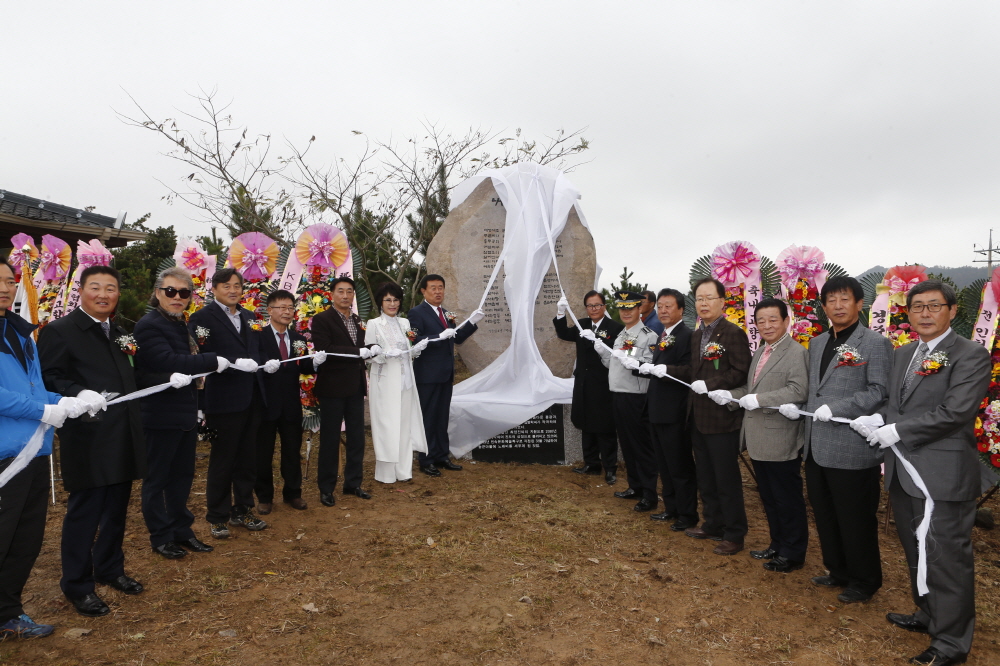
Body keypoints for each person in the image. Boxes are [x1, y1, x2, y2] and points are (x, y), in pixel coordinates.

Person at [853, 280, 990, 666]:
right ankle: (929, 614)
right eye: (917, 307)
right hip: (904, 471)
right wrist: (877, 417)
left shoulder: (970, 355)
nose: (925, 314)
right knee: (917, 552)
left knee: (946, 559)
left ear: (951, 310)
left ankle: (950, 644)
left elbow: (955, 412)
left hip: (943, 476)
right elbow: (895, 406)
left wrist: (896, 431)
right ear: (907, 312)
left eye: (933, 306)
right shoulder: (904, 353)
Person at [38, 265, 146, 617]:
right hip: (88, 437)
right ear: (81, 291)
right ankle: (77, 584)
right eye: (95, 287)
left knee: (116, 510)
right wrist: (77, 392)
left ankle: (111, 569)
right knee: (85, 514)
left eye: (111, 288)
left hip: (123, 433)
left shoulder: (118, 330)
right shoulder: (60, 331)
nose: (104, 294)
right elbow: (49, 378)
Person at [778, 275, 892, 603]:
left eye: (845, 299)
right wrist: (796, 407)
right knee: (825, 513)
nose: (838, 306)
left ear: (860, 304)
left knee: (855, 517)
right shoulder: (816, 343)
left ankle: (864, 580)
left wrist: (838, 406)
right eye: (832, 300)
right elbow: (813, 390)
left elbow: (879, 391)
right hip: (816, 446)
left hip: (851, 447)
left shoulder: (874, 343)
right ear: (824, 306)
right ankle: (838, 570)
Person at [133, 267, 229, 559]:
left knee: (183, 476)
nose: (177, 297)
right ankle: (161, 536)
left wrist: (198, 407)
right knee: (158, 479)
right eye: (170, 291)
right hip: (160, 415)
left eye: (184, 293)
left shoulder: (179, 324)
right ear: (157, 292)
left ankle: (182, 530)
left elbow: (184, 363)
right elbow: (165, 360)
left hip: (184, 414)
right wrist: (212, 360)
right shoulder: (148, 325)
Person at [709, 298, 809, 572]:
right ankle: (777, 544)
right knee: (768, 496)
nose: (766, 325)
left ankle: (793, 552)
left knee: (786, 497)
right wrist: (729, 396)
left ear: (786, 321)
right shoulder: (761, 351)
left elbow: (798, 390)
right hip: (757, 437)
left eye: (772, 320)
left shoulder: (796, 352)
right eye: (761, 321)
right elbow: (750, 390)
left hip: (780, 437)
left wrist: (761, 398)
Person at [0, 254, 62, 639]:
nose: (4, 289)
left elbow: (34, 388)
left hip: (36, 450)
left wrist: (68, 400)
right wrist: (44, 407)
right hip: (5, 456)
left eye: (8, 281)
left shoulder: (21, 332)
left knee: (26, 538)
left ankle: (8, 612)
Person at [187, 268, 273, 538]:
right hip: (223, 399)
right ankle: (217, 515)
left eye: (237, 285)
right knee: (223, 459)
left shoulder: (250, 317)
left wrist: (263, 362)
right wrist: (233, 365)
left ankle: (243, 509)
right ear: (214, 288)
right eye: (227, 286)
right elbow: (201, 352)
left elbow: (257, 349)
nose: (234, 290)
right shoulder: (201, 318)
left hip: (252, 397)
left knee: (248, 458)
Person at [674, 277, 751, 556]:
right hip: (697, 417)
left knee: (726, 478)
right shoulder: (697, 335)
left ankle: (734, 532)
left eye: (709, 298)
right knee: (705, 475)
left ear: (722, 302)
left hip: (721, 418)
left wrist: (712, 384)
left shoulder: (733, 333)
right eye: (699, 298)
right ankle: (713, 523)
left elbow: (741, 372)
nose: (703, 303)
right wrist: (661, 369)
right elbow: (694, 373)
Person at [586, 291, 658, 512]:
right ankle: (635, 486)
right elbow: (613, 363)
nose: (626, 312)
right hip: (618, 394)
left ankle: (649, 493)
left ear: (639, 309)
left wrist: (632, 359)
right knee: (626, 445)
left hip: (635, 397)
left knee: (641, 447)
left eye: (631, 308)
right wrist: (602, 350)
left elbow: (648, 365)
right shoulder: (621, 334)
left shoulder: (648, 336)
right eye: (623, 309)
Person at [255, 290, 326, 514]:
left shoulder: (298, 339)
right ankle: (265, 497)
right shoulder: (258, 337)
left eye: (290, 308)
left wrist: (315, 362)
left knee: (291, 452)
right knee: (263, 453)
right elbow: (252, 366)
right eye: (282, 307)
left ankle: (293, 493)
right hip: (265, 405)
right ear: (270, 310)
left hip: (291, 405)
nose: (287, 312)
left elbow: (303, 368)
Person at [409, 274, 483, 477]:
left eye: (440, 287)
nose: (438, 291)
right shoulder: (416, 313)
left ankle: (441, 456)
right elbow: (414, 340)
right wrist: (436, 337)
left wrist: (472, 322)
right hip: (427, 375)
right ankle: (426, 459)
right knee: (428, 418)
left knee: (442, 417)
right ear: (423, 291)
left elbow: (456, 337)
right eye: (433, 288)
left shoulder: (446, 313)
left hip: (445, 374)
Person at [311, 277, 376, 504]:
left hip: (356, 387)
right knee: (330, 438)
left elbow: (360, 349)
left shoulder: (358, 320)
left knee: (357, 437)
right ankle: (326, 488)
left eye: (349, 291)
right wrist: (359, 351)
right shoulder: (321, 320)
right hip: (332, 388)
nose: (346, 296)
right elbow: (326, 349)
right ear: (332, 294)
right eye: (341, 291)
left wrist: (371, 349)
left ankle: (353, 483)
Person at [637, 288, 697, 529]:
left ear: (681, 309)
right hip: (657, 409)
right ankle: (671, 508)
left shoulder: (687, 335)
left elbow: (690, 370)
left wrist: (667, 371)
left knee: (679, 466)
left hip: (674, 411)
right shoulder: (663, 334)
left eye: (668, 306)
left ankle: (687, 515)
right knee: (664, 464)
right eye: (660, 306)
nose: (662, 310)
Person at [553, 290, 623, 484]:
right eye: (590, 306)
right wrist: (560, 313)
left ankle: (610, 468)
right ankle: (591, 463)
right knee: (586, 424)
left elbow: (619, 351)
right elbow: (563, 333)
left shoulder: (614, 327)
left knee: (605, 427)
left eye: (597, 305)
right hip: (583, 383)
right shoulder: (582, 324)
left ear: (604, 307)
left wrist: (600, 343)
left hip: (603, 385)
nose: (594, 309)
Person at [365, 282, 429, 483]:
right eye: (388, 300)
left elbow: (408, 352)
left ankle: (404, 471)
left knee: (404, 424)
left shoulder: (404, 324)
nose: (392, 304)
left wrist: (415, 350)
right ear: (380, 303)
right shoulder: (373, 324)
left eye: (396, 300)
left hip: (406, 381)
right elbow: (368, 356)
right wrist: (383, 354)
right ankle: (386, 473)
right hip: (384, 383)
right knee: (387, 425)